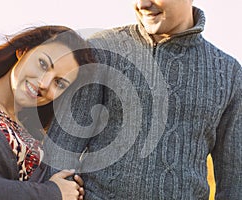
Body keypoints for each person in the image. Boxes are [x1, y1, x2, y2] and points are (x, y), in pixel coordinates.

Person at [43, 0, 242, 199]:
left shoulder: (228, 73)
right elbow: (60, 149)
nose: (142, 4)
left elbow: (235, 182)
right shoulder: (102, 49)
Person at [0, 25, 95, 200]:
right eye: (43, 64)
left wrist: (70, 189)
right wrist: (52, 193)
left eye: (59, 83)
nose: (44, 83)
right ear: (23, 51)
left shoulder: (38, 137)